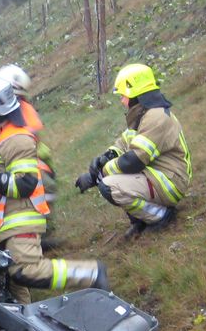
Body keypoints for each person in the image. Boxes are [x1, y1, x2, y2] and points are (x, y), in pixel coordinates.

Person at [0, 76, 107, 304]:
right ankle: (24, 320)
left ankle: (90, 273)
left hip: (20, 218)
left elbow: (25, 184)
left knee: (25, 271)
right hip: (0, 222)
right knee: (10, 280)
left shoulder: (16, 139)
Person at [75, 63, 192, 237]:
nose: (122, 100)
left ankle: (160, 216)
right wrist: (104, 158)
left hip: (170, 181)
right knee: (114, 178)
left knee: (110, 186)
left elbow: (134, 161)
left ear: (136, 94)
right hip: (159, 175)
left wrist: (99, 175)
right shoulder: (143, 115)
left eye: (123, 95)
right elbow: (123, 143)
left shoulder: (155, 117)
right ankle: (141, 220)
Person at [0, 64, 60, 248]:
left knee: (46, 187)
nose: (15, 100)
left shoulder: (25, 108)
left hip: (23, 159)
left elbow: (33, 138)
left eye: (18, 96)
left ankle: (42, 232)